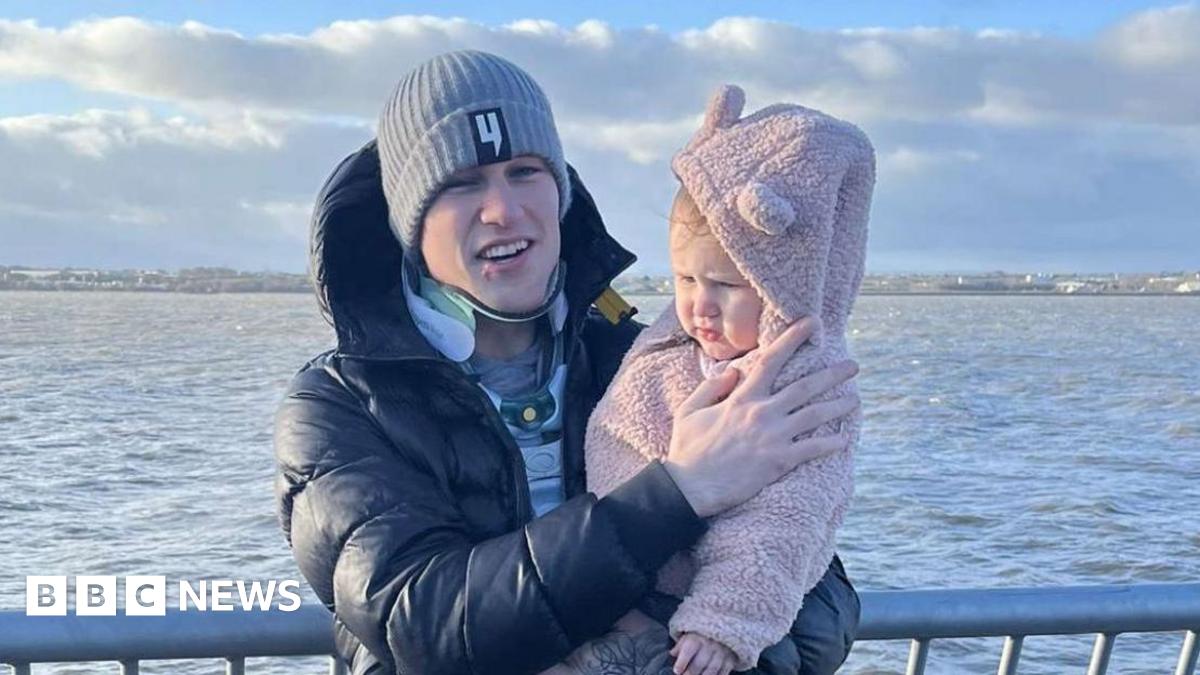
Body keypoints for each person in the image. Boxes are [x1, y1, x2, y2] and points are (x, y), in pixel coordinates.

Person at [273, 50, 861, 675]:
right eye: (461, 183)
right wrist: (681, 490)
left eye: (524, 171)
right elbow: (421, 622)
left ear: (562, 192)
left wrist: (692, 646)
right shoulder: (338, 404)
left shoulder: (651, 359)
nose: (502, 210)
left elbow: (822, 601)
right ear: (407, 222)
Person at [571, 85, 874, 675]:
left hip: (696, 619)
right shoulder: (666, 351)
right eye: (685, 280)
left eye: (728, 287)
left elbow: (787, 521)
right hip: (622, 583)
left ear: (789, 281)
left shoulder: (805, 388)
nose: (700, 306)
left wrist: (725, 621)